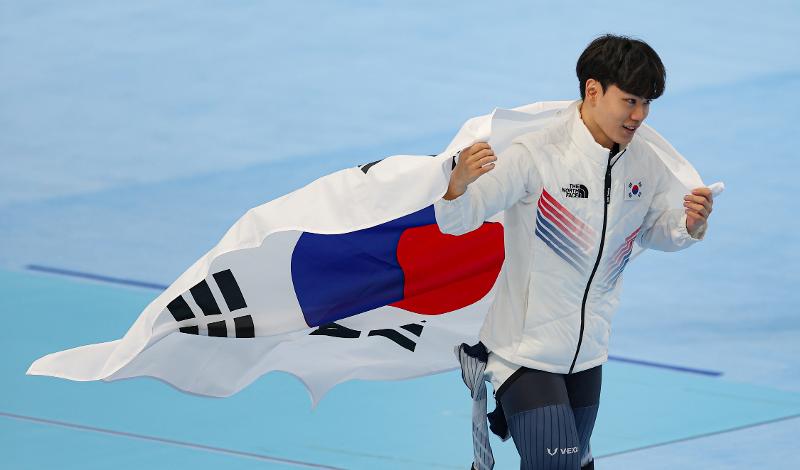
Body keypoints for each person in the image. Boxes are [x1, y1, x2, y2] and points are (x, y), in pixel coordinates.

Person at [434, 34, 714, 470]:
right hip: (524, 352)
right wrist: (456, 186)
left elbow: (653, 231)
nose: (640, 116)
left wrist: (688, 226)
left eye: (647, 104)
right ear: (593, 90)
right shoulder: (537, 155)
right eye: (631, 101)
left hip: (588, 355)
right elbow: (458, 220)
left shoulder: (645, 163)